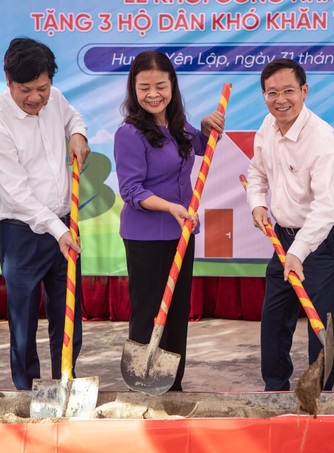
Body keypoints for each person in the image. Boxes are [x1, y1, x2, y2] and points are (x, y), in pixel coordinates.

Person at [0, 37, 89, 391]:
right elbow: (18, 194)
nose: (35, 97)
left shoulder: (54, 98)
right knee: (23, 323)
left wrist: (77, 133)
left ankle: (65, 385)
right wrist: (59, 231)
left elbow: (72, 115)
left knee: (68, 316)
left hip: (62, 224)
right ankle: (27, 392)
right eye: (25, 89)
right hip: (22, 234)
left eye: (42, 88)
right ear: (7, 80)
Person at [114, 50, 224, 391]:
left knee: (177, 312)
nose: (153, 94)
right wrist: (171, 207)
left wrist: (206, 128)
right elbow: (131, 190)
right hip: (146, 236)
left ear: (172, 85)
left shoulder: (177, 126)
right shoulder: (129, 134)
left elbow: (202, 148)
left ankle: (171, 384)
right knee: (149, 310)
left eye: (160, 85)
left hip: (181, 232)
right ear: (133, 88)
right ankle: (144, 384)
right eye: (144, 86)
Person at [245, 58, 334, 392]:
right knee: (274, 317)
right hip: (283, 237)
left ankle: (318, 394)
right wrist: (257, 203)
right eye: (272, 93)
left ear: (304, 91)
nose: (281, 99)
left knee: (321, 323)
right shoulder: (267, 126)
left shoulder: (321, 137)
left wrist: (299, 252)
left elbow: (324, 208)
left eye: (289, 90)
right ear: (264, 96)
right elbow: (256, 172)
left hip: (323, 240)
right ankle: (275, 389)